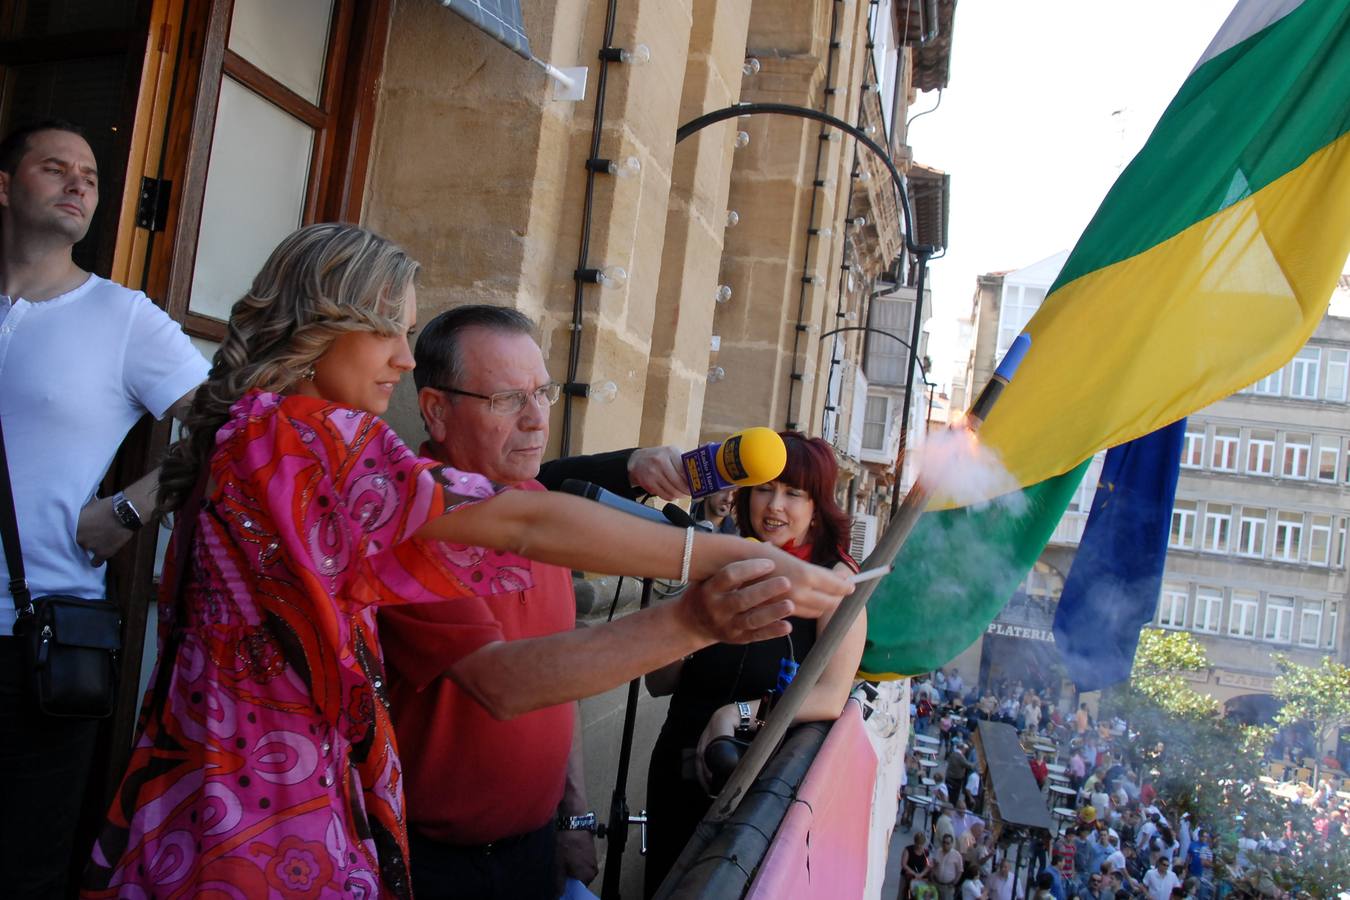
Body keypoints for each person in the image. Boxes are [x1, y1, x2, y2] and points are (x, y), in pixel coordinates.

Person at [81, 224, 851, 898]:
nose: (404, 360)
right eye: (386, 332)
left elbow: (528, 499)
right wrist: (718, 573)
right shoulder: (308, 438)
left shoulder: (256, 436)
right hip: (264, 817)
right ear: (321, 327)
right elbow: (521, 522)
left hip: (221, 800)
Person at [376, 305, 750, 898]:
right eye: (505, 399)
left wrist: (574, 817)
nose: (535, 419)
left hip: (536, 848)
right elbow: (508, 683)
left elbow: (561, 679)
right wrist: (695, 620)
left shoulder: (546, 515)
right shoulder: (418, 522)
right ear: (436, 411)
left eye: (542, 392)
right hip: (431, 863)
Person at [0, 120, 209, 897]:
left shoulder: (122, 317)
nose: (80, 183)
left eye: (88, 173)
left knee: (22, 868)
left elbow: (228, 424)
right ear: (6, 187)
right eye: (55, 167)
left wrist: (128, 509)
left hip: (33, 644)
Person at [642, 431, 867, 896]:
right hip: (676, 767)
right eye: (764, 488)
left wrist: (740, 713)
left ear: (817, 507)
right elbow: (658, 681)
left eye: (793, 494)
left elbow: (830, 696)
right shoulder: (722, 559)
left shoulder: (834, 588)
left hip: (749, 782)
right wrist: (674, 623)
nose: (774, 506)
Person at [931, 832, 964, 900]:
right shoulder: (938, 851)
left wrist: (954, 883)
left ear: (952, 844)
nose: (945, 844)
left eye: (948, 843)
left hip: (947, 887)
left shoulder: (957, 855)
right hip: (936, 883)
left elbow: (960, 871)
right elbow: (933, 864)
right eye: (944, 842)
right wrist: (931, 876)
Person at [900, 832, 933, 900]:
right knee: (901, 895)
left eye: (921, 844)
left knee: (920, 895)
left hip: (920, 878)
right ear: (915, 842)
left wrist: (921, 874)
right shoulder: (908, 850)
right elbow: (904, 864)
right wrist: (914, 873)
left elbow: (929, 865)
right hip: (907, 876)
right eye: (917, 843)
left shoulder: (926, 853)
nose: (919, 846)